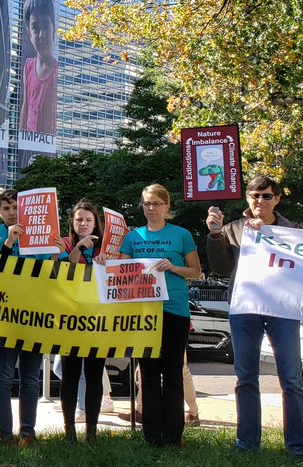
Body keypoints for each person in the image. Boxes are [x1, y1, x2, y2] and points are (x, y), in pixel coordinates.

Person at [206, 175, 303, 459]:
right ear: (247, 199)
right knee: (246, 377)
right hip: (245, 310)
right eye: (254, 195)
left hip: (282, 310)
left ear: (277, 199)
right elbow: (219, 268)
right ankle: (247, 442)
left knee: (291, 379)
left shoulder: (294, 231)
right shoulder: (234, 229)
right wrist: (216, 234)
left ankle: (298, 447)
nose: (260, 201)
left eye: (266, 196)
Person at [120, 183, 200, 448]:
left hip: (175, 311)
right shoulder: (133, 237)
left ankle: (173, 435)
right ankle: (152, 437)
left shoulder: (181, 235)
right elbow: (120, 271)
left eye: (156, 203)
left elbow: (195, 271)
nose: (151, 208)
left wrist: (173, 267)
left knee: (173, 374)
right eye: (146, 203)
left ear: (167, 206)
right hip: (143, 316)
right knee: (149, 375)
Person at [0, 187, 50, 448]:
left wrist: (57, 252)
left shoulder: (38, 236)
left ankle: (28, 432)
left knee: (31, 377)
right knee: (2, 375)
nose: (11, 213)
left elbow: (51, 272)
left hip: (33, 316)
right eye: (6, 208)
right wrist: (9, 242)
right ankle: (4, 435)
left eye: (15, 208)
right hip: (5, 317)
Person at [58, 200, 107, 441]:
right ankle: (69, 432)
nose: (84, 224)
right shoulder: (65, 244)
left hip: (98, 322)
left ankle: (92, 431)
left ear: (96, 223)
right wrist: (78, 247)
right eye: (79, 220)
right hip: (70, 321)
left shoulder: (107, 247)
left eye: (88, 219)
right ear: (72, 223)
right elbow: (62, 271)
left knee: (94, 376)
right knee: (70, 376)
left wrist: (108, 262)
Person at [17, 0, 58, 134]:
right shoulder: (28, 66)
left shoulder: (57, 69)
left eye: (46, 26)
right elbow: (26, 105)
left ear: (54, 29)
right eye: (35, 28)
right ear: (29, 33)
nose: (41, 35)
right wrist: (20, 138)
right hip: (29, 143)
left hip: (48, 145)